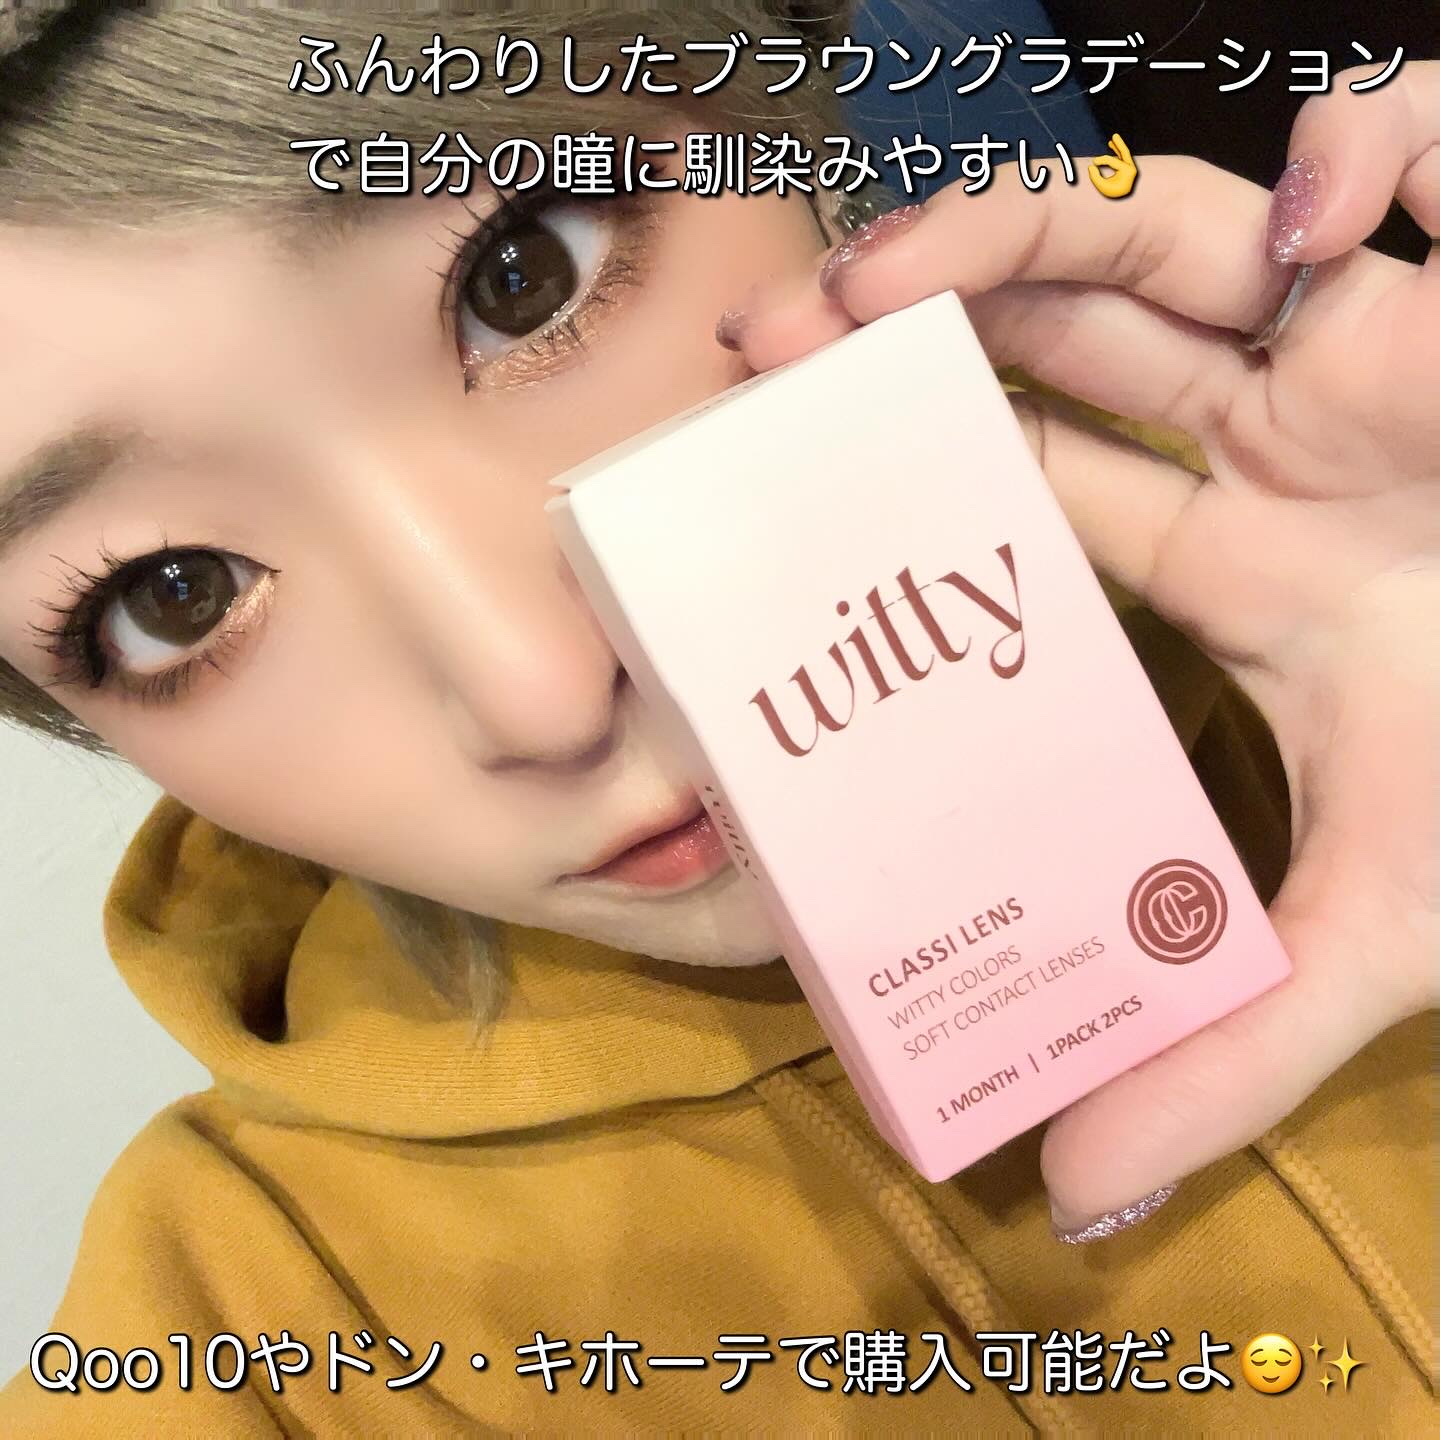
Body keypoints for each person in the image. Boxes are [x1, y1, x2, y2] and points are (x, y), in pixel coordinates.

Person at [0, 6, 1432, 1431]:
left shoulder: (1368, 563)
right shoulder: (257, 1326)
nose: (541, 689)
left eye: (522, 275)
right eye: (169, 598)